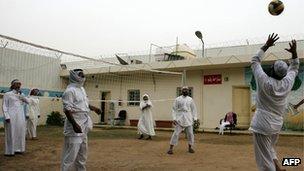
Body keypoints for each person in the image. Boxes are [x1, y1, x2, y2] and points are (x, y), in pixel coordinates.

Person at [249, 33, 299, 171]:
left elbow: (254, 60)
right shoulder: (287, 82)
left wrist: (266, 45)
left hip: (262, 123)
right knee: (270, 148)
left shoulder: (263, 80)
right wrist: (294, 53)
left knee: (264, 162)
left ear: (271, 69)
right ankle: (278, 168)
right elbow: (294, 67)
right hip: (277, 123)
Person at [61, 69, 101, 171]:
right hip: (75, 126)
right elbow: (67, 109)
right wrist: (74, 124)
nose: (83, 77)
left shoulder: (82, 89)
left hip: (84, 125)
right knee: (71, 155)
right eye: (81, 75)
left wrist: (94, 109)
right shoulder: (69, 91)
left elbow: (85, 104)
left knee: (83, 153)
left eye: (83, 75)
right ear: (74, 76)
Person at [167, 86, 198, 155]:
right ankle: (171, 148)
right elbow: (174, 109)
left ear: (188, 91)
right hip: (179, 118)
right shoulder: (177, 99)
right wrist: (174, 118)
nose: (185, 91)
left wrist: (195, 118)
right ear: (181, 91)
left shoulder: (190, 99)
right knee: (176, 134)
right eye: (184, 90)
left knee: (190, 134)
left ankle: (190, 147)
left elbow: (194, 109)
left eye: (186, 90)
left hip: (188, 118)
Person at [2, 79, 28, 156]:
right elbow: (4, 106)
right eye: (17, 84)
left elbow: (28, 102)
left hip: (20, 116)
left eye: (19, 84)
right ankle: (10, 151)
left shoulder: (21, 94)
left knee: (20, 131)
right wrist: (6, 116)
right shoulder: (7, 94)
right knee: (11, 133)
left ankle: (19, 149)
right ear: (13, 85)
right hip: (11, 116)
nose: (19, 85)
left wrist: (21, 96)